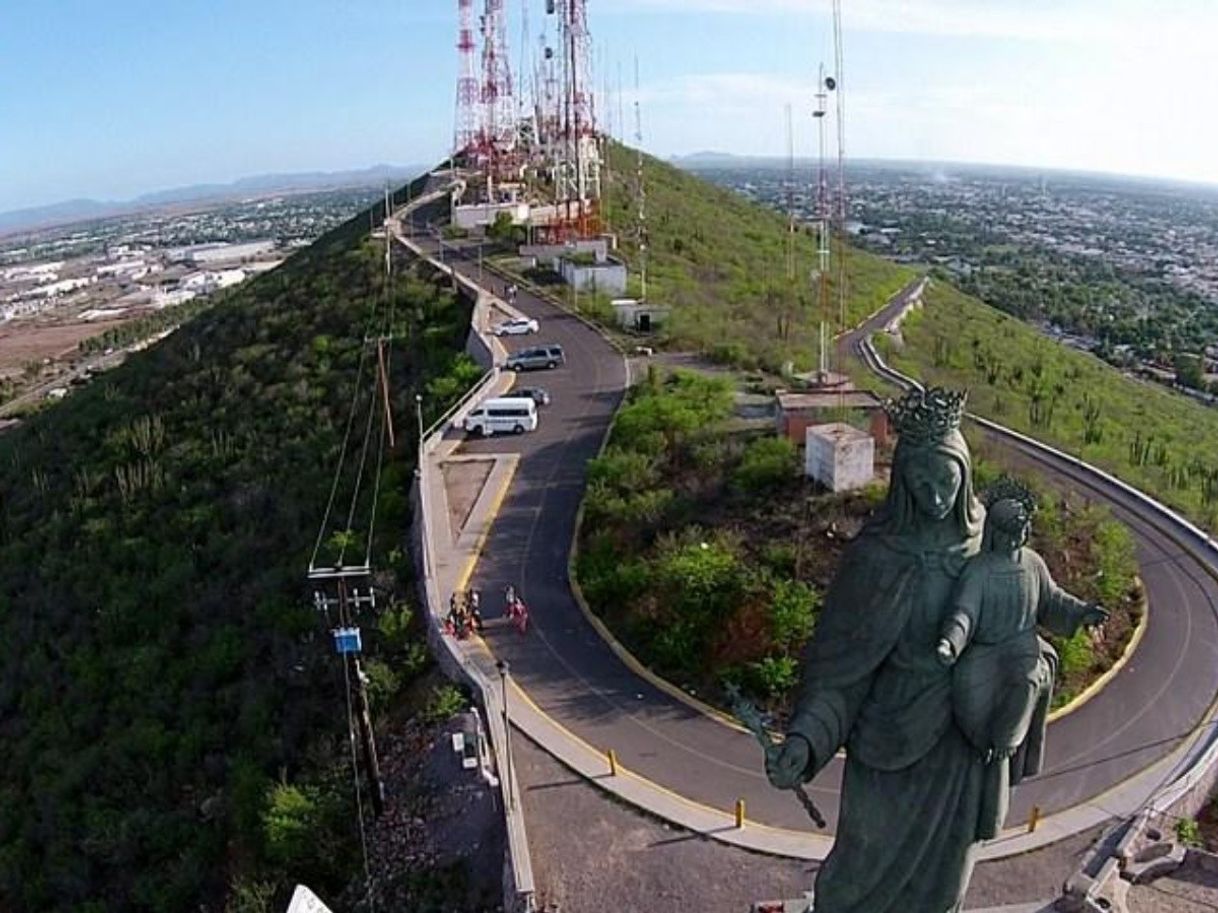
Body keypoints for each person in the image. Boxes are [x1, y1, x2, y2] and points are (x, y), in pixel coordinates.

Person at [765, 387, 1056, 913]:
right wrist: (805, 742)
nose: (934, 492)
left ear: (965, 474)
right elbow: (838, 672)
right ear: (900, 479)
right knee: (854, 882)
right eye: (920, 478)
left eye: (945, 477)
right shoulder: (876, 557)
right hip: (888, 748)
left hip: (960, 753)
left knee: (941, 892)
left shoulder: (992, 553)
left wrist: (1025, 678)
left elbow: (1022, 637)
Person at [937, 480, 1107, 837]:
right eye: (1011, 531)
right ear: (995, 532)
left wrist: (1082, 613)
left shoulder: (1033, 565)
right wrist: (951, 643)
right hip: (982, 656)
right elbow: (963, 614)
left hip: (1021, 649)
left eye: (1023, 530)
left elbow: (1052, 601)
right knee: (971, 699)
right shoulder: (979, 571)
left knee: (1029, 679)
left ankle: (1005, 747)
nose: (1018, 538)